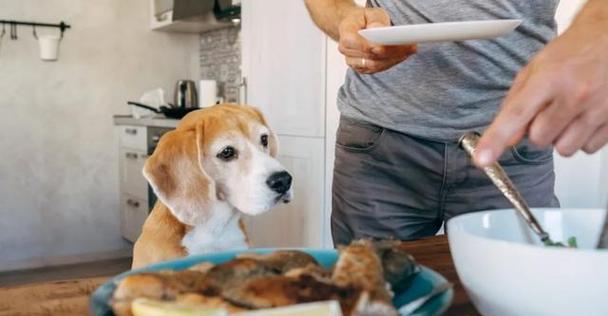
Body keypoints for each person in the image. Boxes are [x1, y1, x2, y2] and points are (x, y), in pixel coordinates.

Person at [304, 0, 608, 245]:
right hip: (379, 145)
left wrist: (598, 29)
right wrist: (349, 18)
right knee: (372, 295)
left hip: (513, 143)